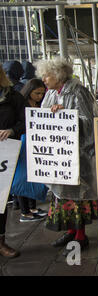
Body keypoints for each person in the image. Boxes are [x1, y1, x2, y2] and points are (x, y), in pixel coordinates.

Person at [36, 57, 98, 255]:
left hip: (77, 156)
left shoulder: (78, 91)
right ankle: (71, 232)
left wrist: (65, 115)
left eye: (47, 75)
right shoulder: (51, 93)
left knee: (76, 197)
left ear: (58, 74)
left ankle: (81, 236)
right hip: (60, 155)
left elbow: (88, 121)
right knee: (63, 196)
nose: (44, 79)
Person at [0, 65, 25, 258]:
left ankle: (1, 241)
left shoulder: (13, 97)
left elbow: (25, 120)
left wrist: (12, 131)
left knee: (0, 200)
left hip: (5, 152)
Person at [14, 79, 48, 222]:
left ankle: (32, 208)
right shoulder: (20, 105)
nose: (39, 96)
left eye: (42, 93)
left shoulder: (41, 104)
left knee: (36, 174)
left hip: (37, 142)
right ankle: (25, 211)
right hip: (24, 142)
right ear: (29, 91)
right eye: (37, 93)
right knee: (23, 176)